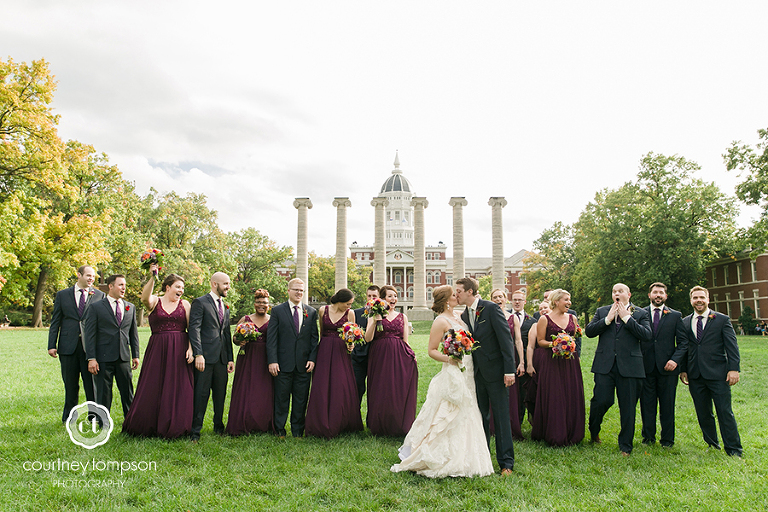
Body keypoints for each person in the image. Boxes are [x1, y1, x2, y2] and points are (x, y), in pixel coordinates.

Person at [392, 285, 494, 477]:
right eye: (454, 294)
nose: (457, 296)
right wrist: (450, 359)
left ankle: (468, 453)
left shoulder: (460, 317)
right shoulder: (440, 321)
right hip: (453, 368)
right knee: (451, 406)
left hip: (469, 368)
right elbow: (432, 350)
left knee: (469, 405)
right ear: (447, 300)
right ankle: (439, 453)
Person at [123, 265, 194, 438]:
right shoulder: (155, 301)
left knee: (178, 387)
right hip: (158, 348)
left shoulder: (185, 304)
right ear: (168, 287)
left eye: (182, 288)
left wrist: (191, 349)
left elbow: (192, 329)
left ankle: (177, 424)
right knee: (153, 385)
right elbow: (144, 298)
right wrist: (153, 277)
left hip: (180, 349)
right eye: (178, 287)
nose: (181, 290)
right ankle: (149, 424)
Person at [456, 277, 516, 475]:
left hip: (497, 372)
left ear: (470, 292)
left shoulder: (490, 308)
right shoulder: (464, 315)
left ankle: (506, 462)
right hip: (476, 374)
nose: (456, 294)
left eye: (459, 291)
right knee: (480, 416)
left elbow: (506, 340)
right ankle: (483, 458)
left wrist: (509, 370)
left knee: (501, 417)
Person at [585, 283, 651, 455]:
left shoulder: (641, 313)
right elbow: (589, 332)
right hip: (605, 365)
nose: (617, 293)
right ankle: (594, 430)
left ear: (628, 294)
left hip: (630, 367)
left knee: (628, 407)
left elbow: (646, 335)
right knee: (601, 401)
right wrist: (607, 319)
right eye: (614, 291)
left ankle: (625, 446)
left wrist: (627, 319)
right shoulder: (602, 311)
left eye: (620, 291)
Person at [680, 286, 742, 457]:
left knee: (724, 412)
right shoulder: (685, 322)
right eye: (695, 298)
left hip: (718, 374)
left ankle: (734, 449)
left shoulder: (722, 320)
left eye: (702, 297)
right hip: (695, 375)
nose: (698, 300)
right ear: (691, 300)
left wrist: (733, 369)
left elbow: (732, 347)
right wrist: (683, 369)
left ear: (708, 299)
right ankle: (712, 444)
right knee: (703, 413)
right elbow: (684, 348)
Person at [48, 265, 105, 423]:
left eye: (93, 276)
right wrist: (51, 344)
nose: (91, 279)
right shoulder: (62, 295)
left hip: (90, 349)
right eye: (88, 275)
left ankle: (94, 417)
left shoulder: (100, 295)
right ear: (79, 275)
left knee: (91, 385)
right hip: (68, 347)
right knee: (70, 384)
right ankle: (68, 417)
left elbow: (103, 323)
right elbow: (55, 321)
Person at [305, 288, 364, 438]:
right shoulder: (322, 310)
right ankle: (320, 422)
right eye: (348, 303)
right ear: (340, 301)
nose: (349, 306)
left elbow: (351, 335)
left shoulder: (350, 314)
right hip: (324, 350)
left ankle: (341, 422)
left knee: (340, 385)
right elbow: (321, 333)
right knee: (322, 385)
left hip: (341, 352)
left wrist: (351, 345)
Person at [530, 289, 585, 446]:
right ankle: (555, 432)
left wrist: (569, 344)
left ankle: (573, 432)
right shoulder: (544, 319)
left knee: (571, 392)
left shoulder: (572, 318)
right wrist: (556, 344)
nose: (569, 302)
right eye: (566, 300)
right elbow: (540, 341)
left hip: (570, 361)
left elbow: (574, 337)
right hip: (551, 362)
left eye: (569, 299)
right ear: (556, 301)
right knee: (555, 394)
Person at [266, 278, 319, 438]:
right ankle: (279, 430)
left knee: (301, 399)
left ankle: (297, 431)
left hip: (303, 365)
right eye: (296, 289)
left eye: (301, 290)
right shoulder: (277, 311)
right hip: (283, 364)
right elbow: (272, 338)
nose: (299, 293)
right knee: (281, 399)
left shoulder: (311, 312)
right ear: (288, 291)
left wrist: (312, 359)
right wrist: (272, 361)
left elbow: (314, 339)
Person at [83, 274, 140, 417]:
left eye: (125, 285)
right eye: (120, 285)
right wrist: (91, 358)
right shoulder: (95, 307)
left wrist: (136, 355)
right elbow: (89, 335)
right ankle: (103, 422)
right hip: (103, 358)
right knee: (103, 393)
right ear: (110, 286)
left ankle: (130, 421)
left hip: (123, 357)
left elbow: (133, 333)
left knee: (127, 392)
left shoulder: (130, 307)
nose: (124, 288)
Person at [365, 285, 418, 436]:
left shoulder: (403, 317)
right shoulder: (373, 315)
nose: (393, 299)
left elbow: (405, 340)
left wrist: (411, 355)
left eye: (395, 296)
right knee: (381, 388)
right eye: (390, 296)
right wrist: (375, 321)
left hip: (399, 356)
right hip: (380, 356)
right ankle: (380, 424)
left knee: (397, 389)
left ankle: (397, 423)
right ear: (382, 299)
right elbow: (368, 338)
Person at [640, 282, 688, 447]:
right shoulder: (640, 314)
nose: (658, 295)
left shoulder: (675, 316)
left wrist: (675, 360)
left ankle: (667, 440)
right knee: (647, 405)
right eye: (655, 292)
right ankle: (648, 438)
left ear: (666, 296)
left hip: (668, 369)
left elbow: (683, 343)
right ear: (649, 295)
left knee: (667, 405)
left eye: (661, 293)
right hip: (645, 367)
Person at [188, 272, 235, 442]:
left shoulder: (225, 306)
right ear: (215, 284)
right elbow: (194, 329)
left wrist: (230, 358)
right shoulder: (200, 302)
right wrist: (198, 353)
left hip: (221, 359)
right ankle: (195, 431)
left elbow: (226, 333)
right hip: (205, 358)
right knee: (201, 394)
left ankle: (218, 426)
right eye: (226, 284)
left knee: (220, 394)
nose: (228, 287)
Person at [226, 289, 274, 436]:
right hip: (247, 357)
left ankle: (262, 423)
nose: (261, 305)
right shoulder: (245, 319)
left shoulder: (273, 320)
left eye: (264, 302)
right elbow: (234, 338)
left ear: (269, 305)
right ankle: (243, 421)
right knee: (246, 388)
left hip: (266, 358)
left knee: (263, 390)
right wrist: (239, 340)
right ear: (254, 304)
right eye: (258, 302)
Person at [489, 288, 525, 440]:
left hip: (510, 358)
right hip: (493, 359)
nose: (498, 299)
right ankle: (492, 426)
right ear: (491, 300)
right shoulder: (488, 316)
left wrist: (521, 362)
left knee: (510, 392)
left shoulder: (512, 318)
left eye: (501, 297)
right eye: (495, 297)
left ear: (505, 299)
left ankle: (510, 426)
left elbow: (518, 340)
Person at [511, 290, 537, 423]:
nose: (517, 302)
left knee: (523, 392)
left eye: (519, 300)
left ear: (524, 302)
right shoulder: (505, 317)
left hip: (526, 360)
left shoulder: (532, 321)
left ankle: (522, 420)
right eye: (514, 300)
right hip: (510, 358)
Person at [351, 285, 380, 404]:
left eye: (374, 296)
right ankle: (354, 413)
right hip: (358, 357)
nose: (371, 298)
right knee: (357, 388)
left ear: (379, 298)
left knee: (376, 390)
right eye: (369, 296)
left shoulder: (383, 314)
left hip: (376, 357)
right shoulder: (356, 313)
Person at [526, 301, 552, 420]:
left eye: (545, 307)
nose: (543, 310)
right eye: (540, 309)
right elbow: (530, 346)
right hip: (539, 361)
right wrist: (530, 365)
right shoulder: (535, 326)